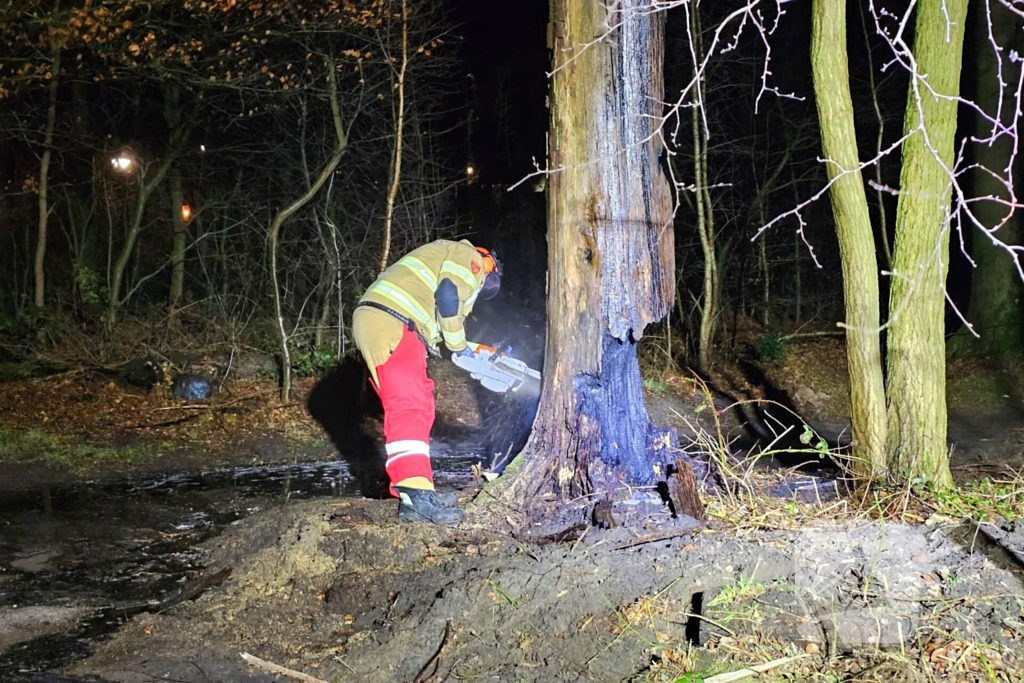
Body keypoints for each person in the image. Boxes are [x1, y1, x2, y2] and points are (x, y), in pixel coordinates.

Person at [351, 238, 502, 525]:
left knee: (417, 404)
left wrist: (467, 351)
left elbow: (442, 318)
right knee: (410, 404)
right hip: (395, 320)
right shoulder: (467, 255)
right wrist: (458, 345)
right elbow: (448, 296)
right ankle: (415, 496)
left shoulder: (441, 259)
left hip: (391, 321)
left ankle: (420, 491)